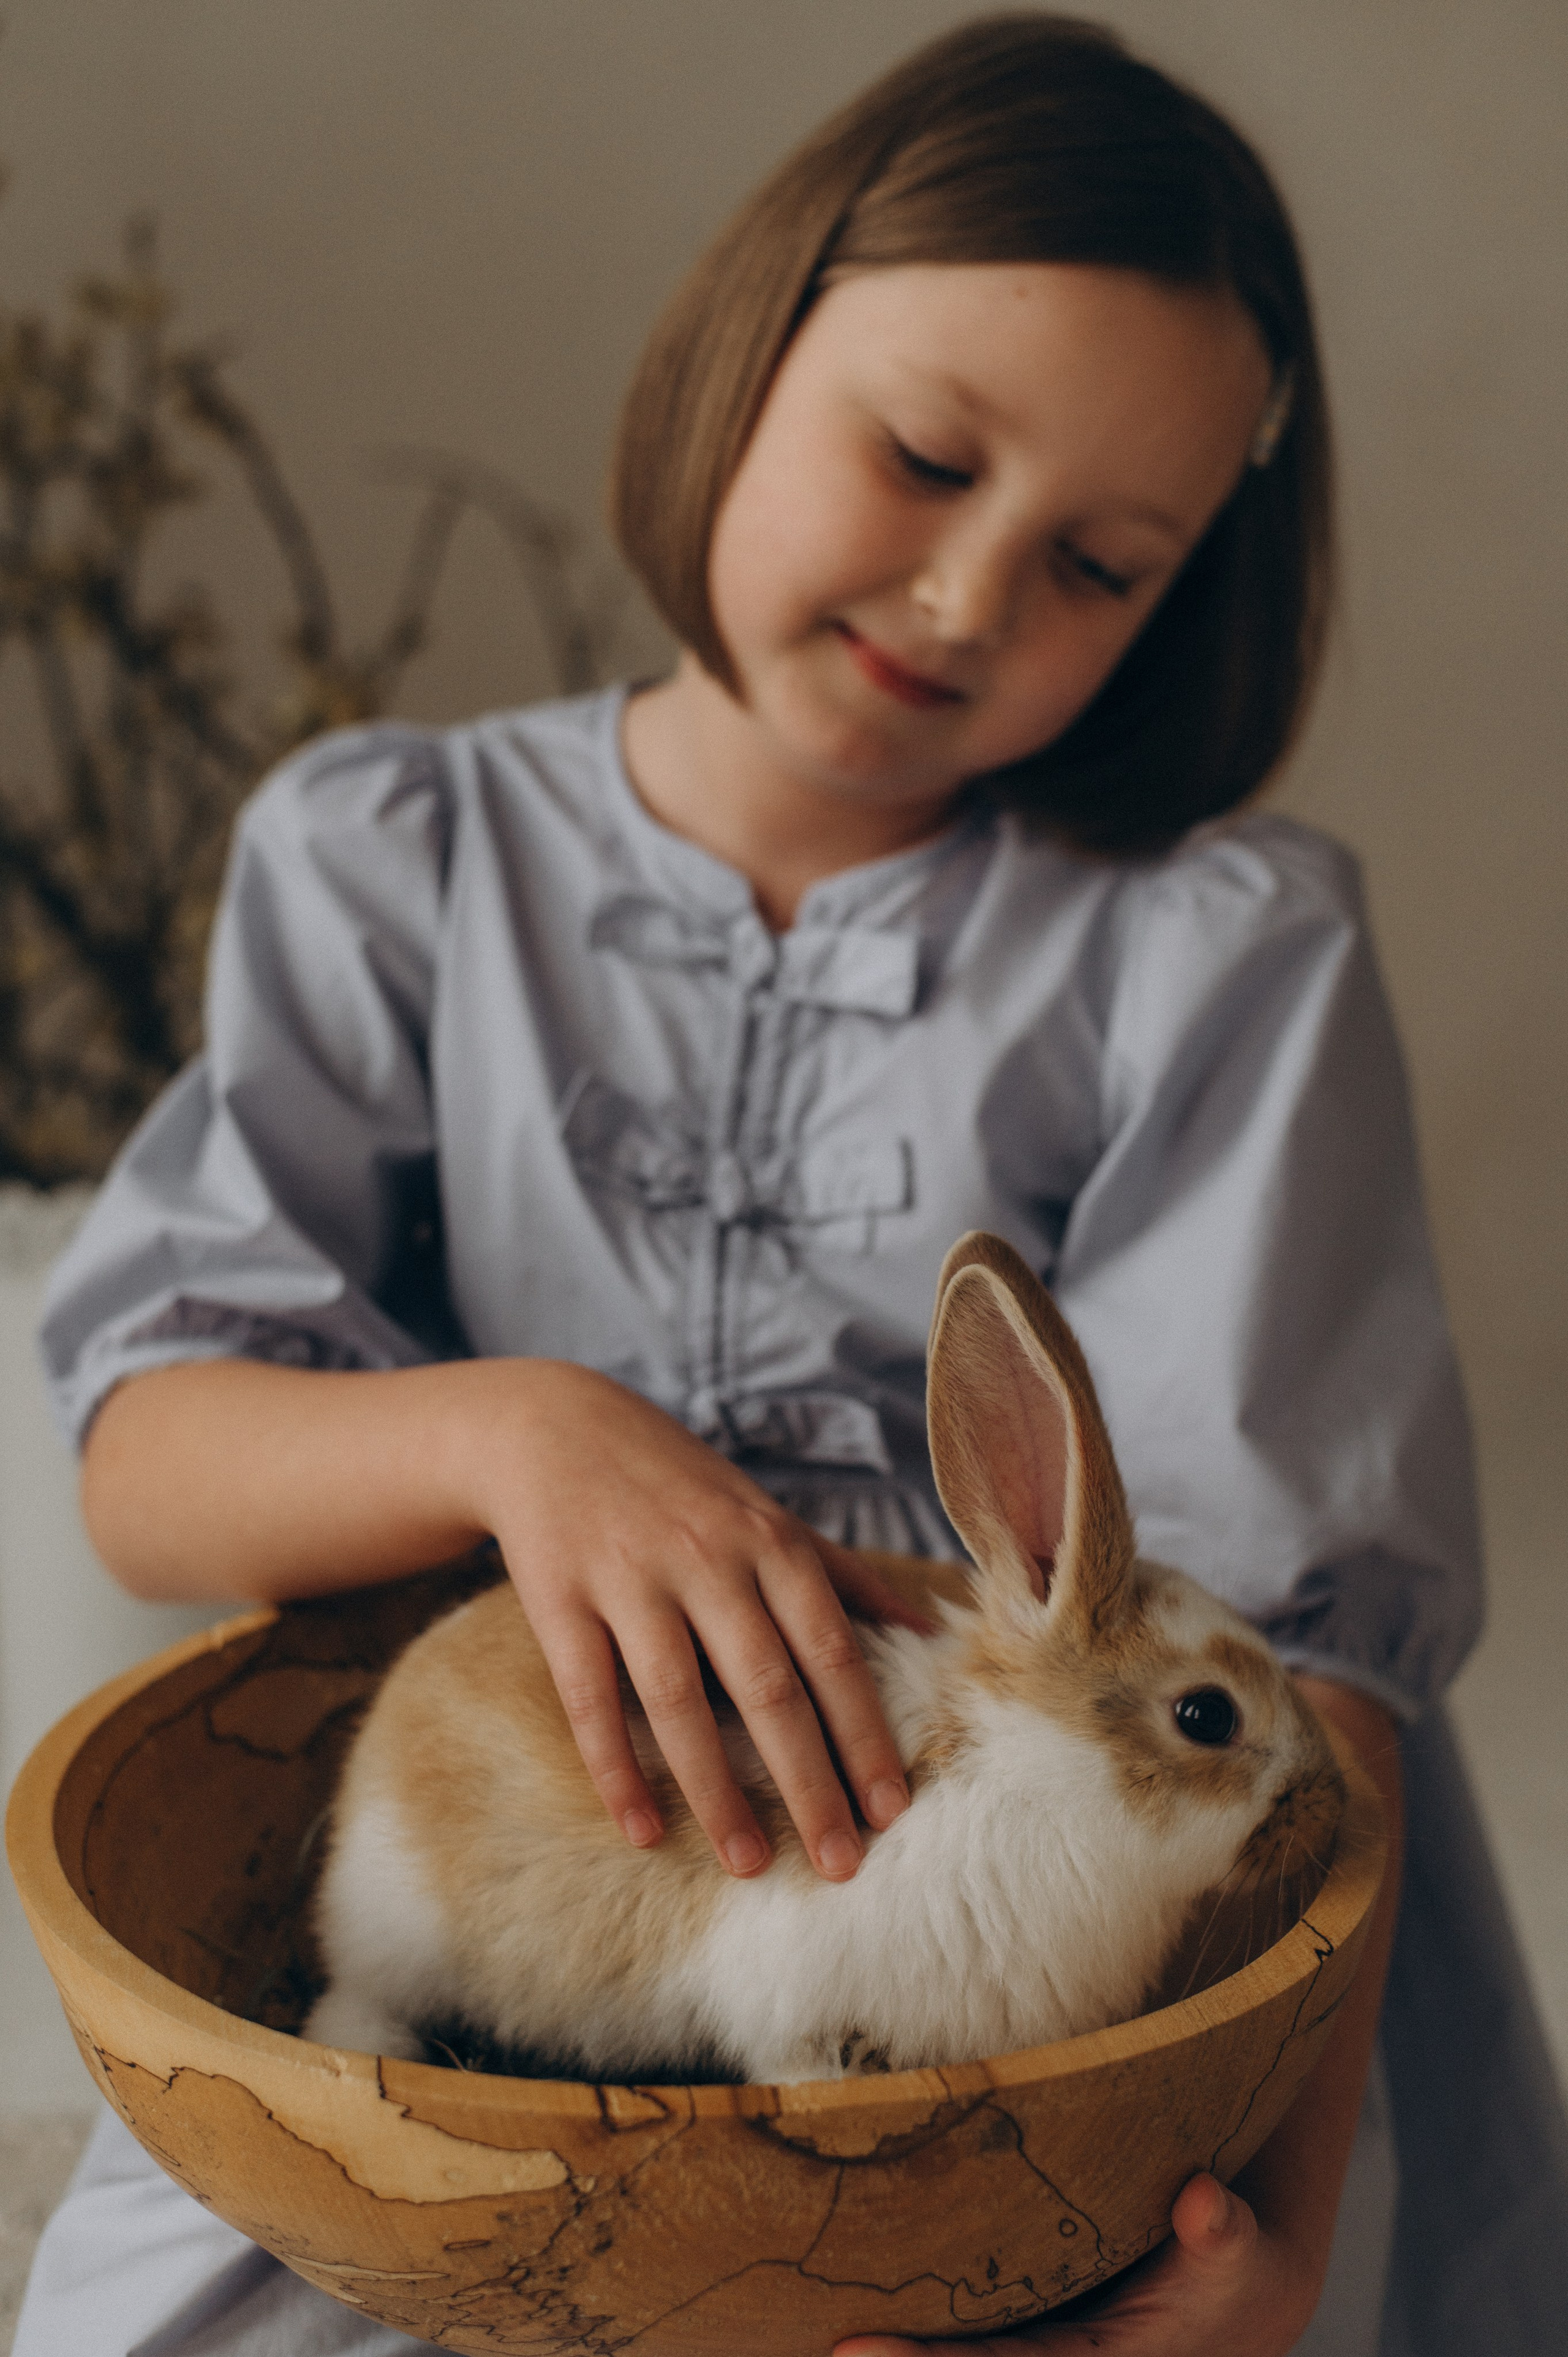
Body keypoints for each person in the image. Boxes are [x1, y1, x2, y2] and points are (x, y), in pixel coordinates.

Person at [17, 15, 1567, 2357]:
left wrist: (1252, 2227)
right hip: (545, 1946)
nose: (964, 597)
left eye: (1101, 563)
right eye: (923, 454)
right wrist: (512, 1432)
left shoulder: (1220, 952)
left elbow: (1301, 1696)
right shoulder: (391, 863)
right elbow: (151, 1453)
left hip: (1062, 2051)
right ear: (752, 343)